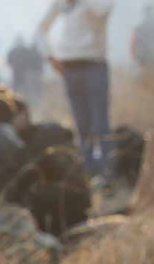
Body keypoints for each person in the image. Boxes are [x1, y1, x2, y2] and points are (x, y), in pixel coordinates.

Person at [37, 0, 115, 177]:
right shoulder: (61, 4)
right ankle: (88, 169)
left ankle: (108, 170)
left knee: (100, 122)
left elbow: (102, 13)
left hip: (94, 64)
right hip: (69, 67)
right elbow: (41, 29)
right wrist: (50, 56)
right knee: (81, 122)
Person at [6, 36, 45, 111]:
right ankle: (16, 105)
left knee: (27, 91)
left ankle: (28, 105)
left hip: (26, 74)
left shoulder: (25, 52)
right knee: (19, 90)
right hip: (21, 74)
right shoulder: (21, 51)